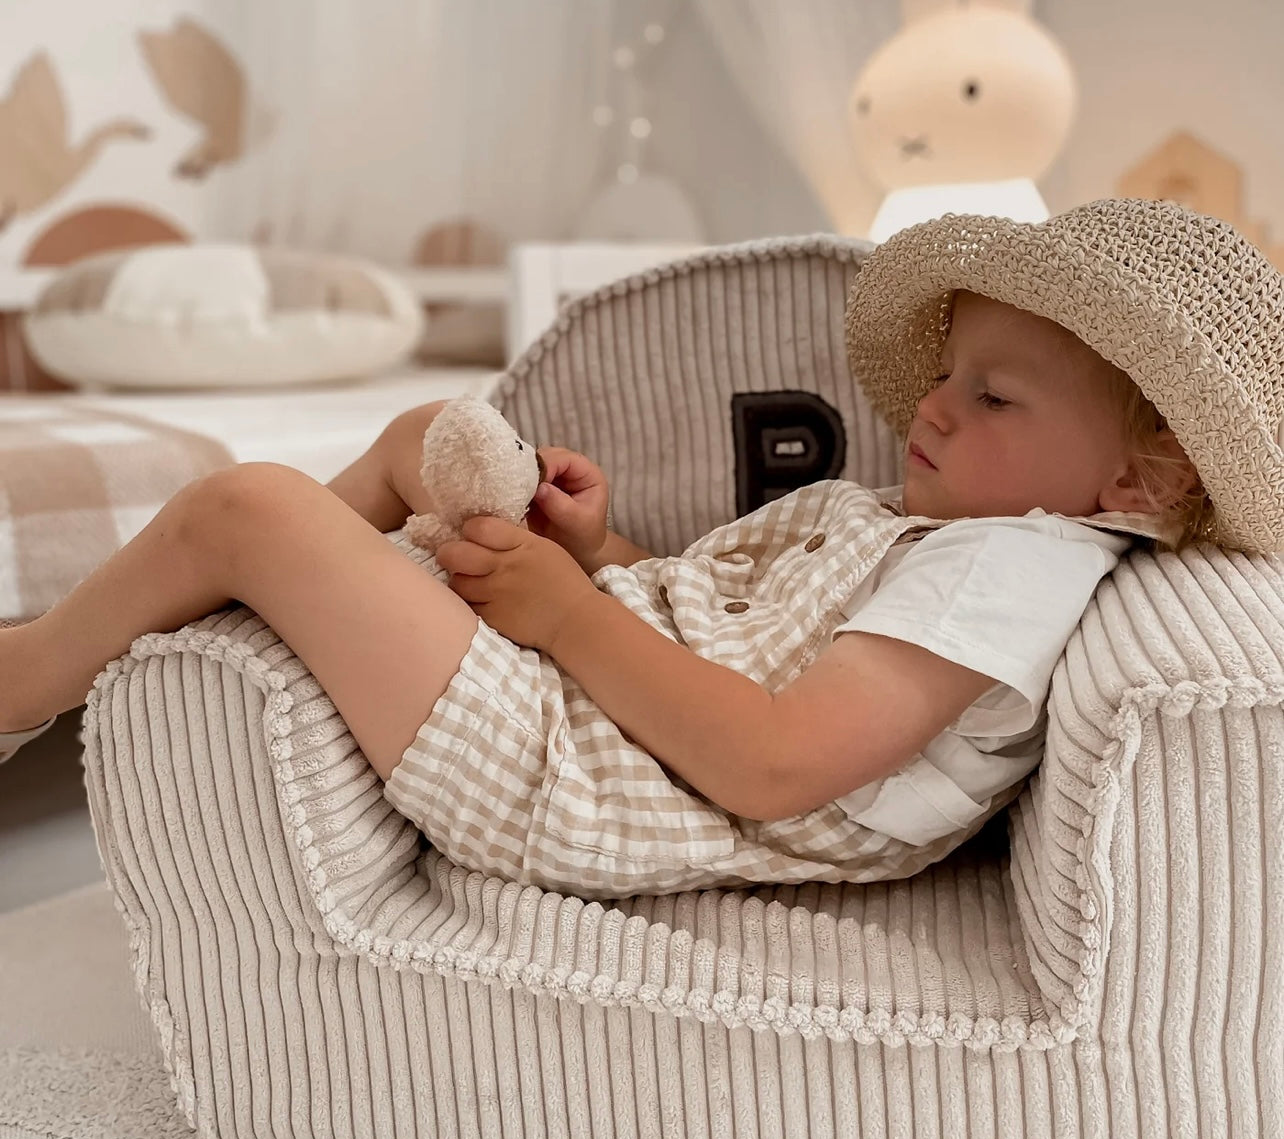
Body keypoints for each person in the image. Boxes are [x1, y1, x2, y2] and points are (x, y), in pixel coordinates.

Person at [3, 198, 1283, 897]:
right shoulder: (946, 526)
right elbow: (732, 633)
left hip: (602, 792)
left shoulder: (1005, 575)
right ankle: (271, 593)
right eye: (948, 375)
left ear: (1143, 475)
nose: (934, 408)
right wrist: (605, 546)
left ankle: (30, 677)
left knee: (254, 506)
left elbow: (773, 764)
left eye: (995, 400)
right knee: (426, 436)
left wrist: (567, 614)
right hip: (615, 710)